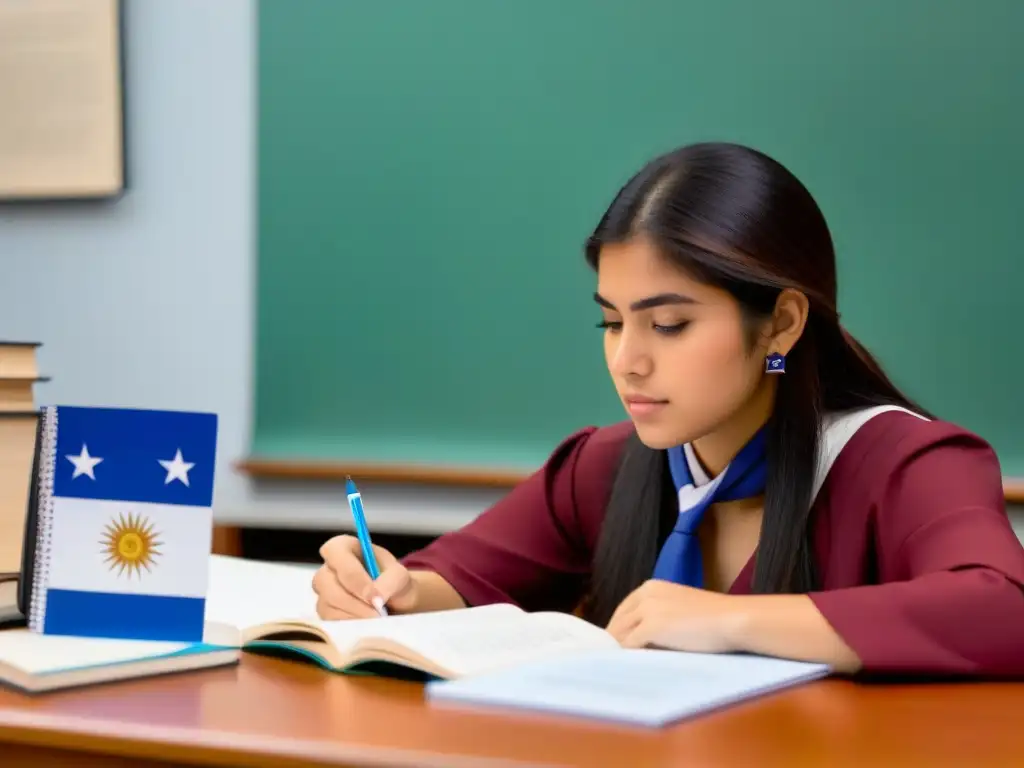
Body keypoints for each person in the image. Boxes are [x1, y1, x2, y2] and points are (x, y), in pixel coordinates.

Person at [312, 141, 1024, 678]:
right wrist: (389, 588)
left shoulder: (905, 463)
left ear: (780, 324)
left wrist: (731, 620)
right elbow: (460, 579)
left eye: (670, 324)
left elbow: (1005, 610)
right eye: (611, 323)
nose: (628, 360)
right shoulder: (605, 465)